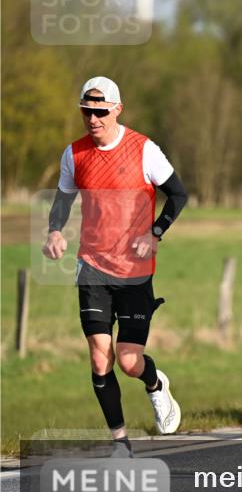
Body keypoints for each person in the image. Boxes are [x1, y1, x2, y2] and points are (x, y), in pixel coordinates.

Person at [42, 76, 188, 457]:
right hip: (91, 266)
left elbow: (179, 194)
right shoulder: (73, 154)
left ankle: (156, 384)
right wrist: (55, 231)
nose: (93, 119)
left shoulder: (144, 150)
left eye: (100, 111)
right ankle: (120, 443)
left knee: (127, 360)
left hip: (135, 270)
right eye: (86, 111)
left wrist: (156, 232)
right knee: (98, 355)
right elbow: (63, 199)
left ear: (117, 110)